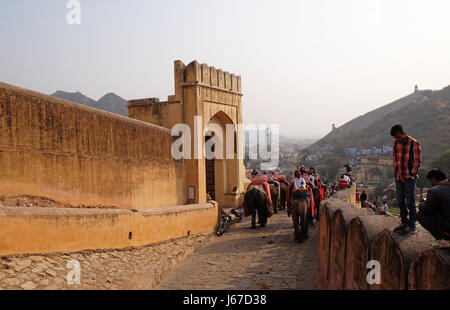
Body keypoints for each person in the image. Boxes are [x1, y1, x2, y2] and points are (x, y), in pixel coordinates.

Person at [390, 125, 422, 236]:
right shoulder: (395, 143)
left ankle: (412, 225)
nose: (397, 139)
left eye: (398, 137)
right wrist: (396, 172)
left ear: (402, 133)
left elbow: (417, 162)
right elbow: (395, 158)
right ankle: (404, 222)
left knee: (410, 202)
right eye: (395, 138)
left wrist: (411, 175)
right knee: (400, 200)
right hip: (399, 177)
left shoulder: (414, 143)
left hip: (409, 178)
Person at [417, 169, 450, 241]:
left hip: (447, 227)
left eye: (431, 181)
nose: (430, 183)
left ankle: (442, 237)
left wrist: (422, 202)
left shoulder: (434, 190)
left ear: (433, 179)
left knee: (419, 215)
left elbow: (425, 209)